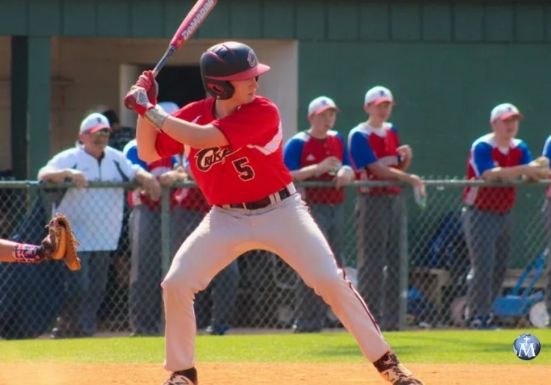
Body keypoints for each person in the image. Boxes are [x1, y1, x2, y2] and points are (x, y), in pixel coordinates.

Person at [124, 41, 424, 385]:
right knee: (176, 283)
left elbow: (206, 138)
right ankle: (183, 372)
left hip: (280, 211)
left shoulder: (262, 111)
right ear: (220, 85)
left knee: (330, 280)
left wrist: (152, 109)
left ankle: (389, 365)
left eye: (254, 75)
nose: (255, 81)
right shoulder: (192, 112)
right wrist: (143, 110)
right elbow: (148, 152)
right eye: (246, 77)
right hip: (225, 217)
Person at [38, 112, 161, 338]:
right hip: (73, 235)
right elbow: (43, 173)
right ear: (82, 136)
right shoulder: (70, 157)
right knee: (78, 285)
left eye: (105, 132)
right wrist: (67, 173)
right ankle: (66, 327)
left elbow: (135, 171)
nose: (101, 137)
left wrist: (147, 178)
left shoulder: (115, 157)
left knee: (97, 287)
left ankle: (84, 330)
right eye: (95, 133)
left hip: (105, 234)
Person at [348, 86, 425, 331]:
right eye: (378, 105)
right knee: (372, 263)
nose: (383, 109)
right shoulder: (359, 134)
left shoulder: (392, 131)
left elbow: (395, 171)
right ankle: (368, 319)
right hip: (372, 201)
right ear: (367, 107)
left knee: (396, 261)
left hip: (393, 200)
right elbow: (377, 170)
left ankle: (393, 321)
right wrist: (411, 177)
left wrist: (407, 160)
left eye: (387, 105)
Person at [462, 103, 546, 329]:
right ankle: (476, 315)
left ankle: (487, 312)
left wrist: (536, 169)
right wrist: (525, 169)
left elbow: (531, 174)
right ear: (494, 124)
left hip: (504, 212)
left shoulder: (519, 147)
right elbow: (489, 174)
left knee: (499, 267)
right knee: (483, 266)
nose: (511, 125)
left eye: (514, 121)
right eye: (506, 121)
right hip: (479, 212)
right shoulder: (483, 146)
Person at [283, 95, 354, 332]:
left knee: (334, 263)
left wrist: (346, 171)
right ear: (311, 117)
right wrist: (318, 168)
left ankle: (328, 317)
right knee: (310, 262)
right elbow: (285, 175)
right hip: (308, 209)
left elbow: (348, 165)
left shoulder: (337, 139)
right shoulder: (299, 142)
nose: (328, 119)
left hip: (335, 207)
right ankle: (305, 320)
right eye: (323, 115)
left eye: (331, 114)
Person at [124, 101, 185, 336]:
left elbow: (187, 169)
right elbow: (134, 172)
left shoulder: (179, 147)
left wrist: (176, 174)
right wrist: (153, 180)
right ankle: (143, 327)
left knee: (174, 272)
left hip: (173, 212)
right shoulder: (137, 144)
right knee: (144, 271)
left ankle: (170, 326)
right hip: (145, 211)